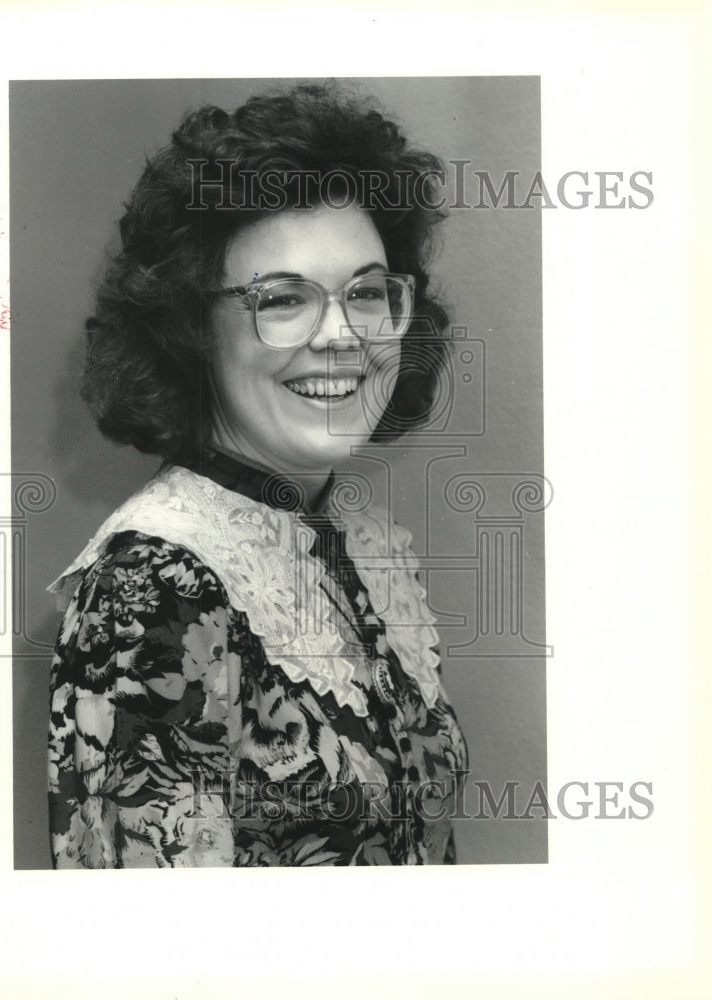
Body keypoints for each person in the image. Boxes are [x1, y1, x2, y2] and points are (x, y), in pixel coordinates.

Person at [47, 83, 468, 867]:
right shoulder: (158, 583)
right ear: (190, 327)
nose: (341, 336)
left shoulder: (370, 549)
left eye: (368, 293)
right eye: (281, 299)